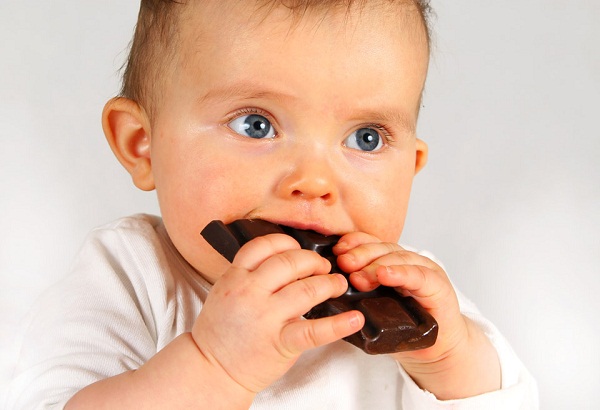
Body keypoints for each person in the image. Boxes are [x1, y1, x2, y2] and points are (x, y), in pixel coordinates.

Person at [5, 0, 538, 408]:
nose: (314, 181)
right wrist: (215, 366)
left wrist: (449, 361)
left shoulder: (410, 297)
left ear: (413, 166)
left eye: (367, 138)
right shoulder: (129, 275)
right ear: (142, 143)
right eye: (256, 125)